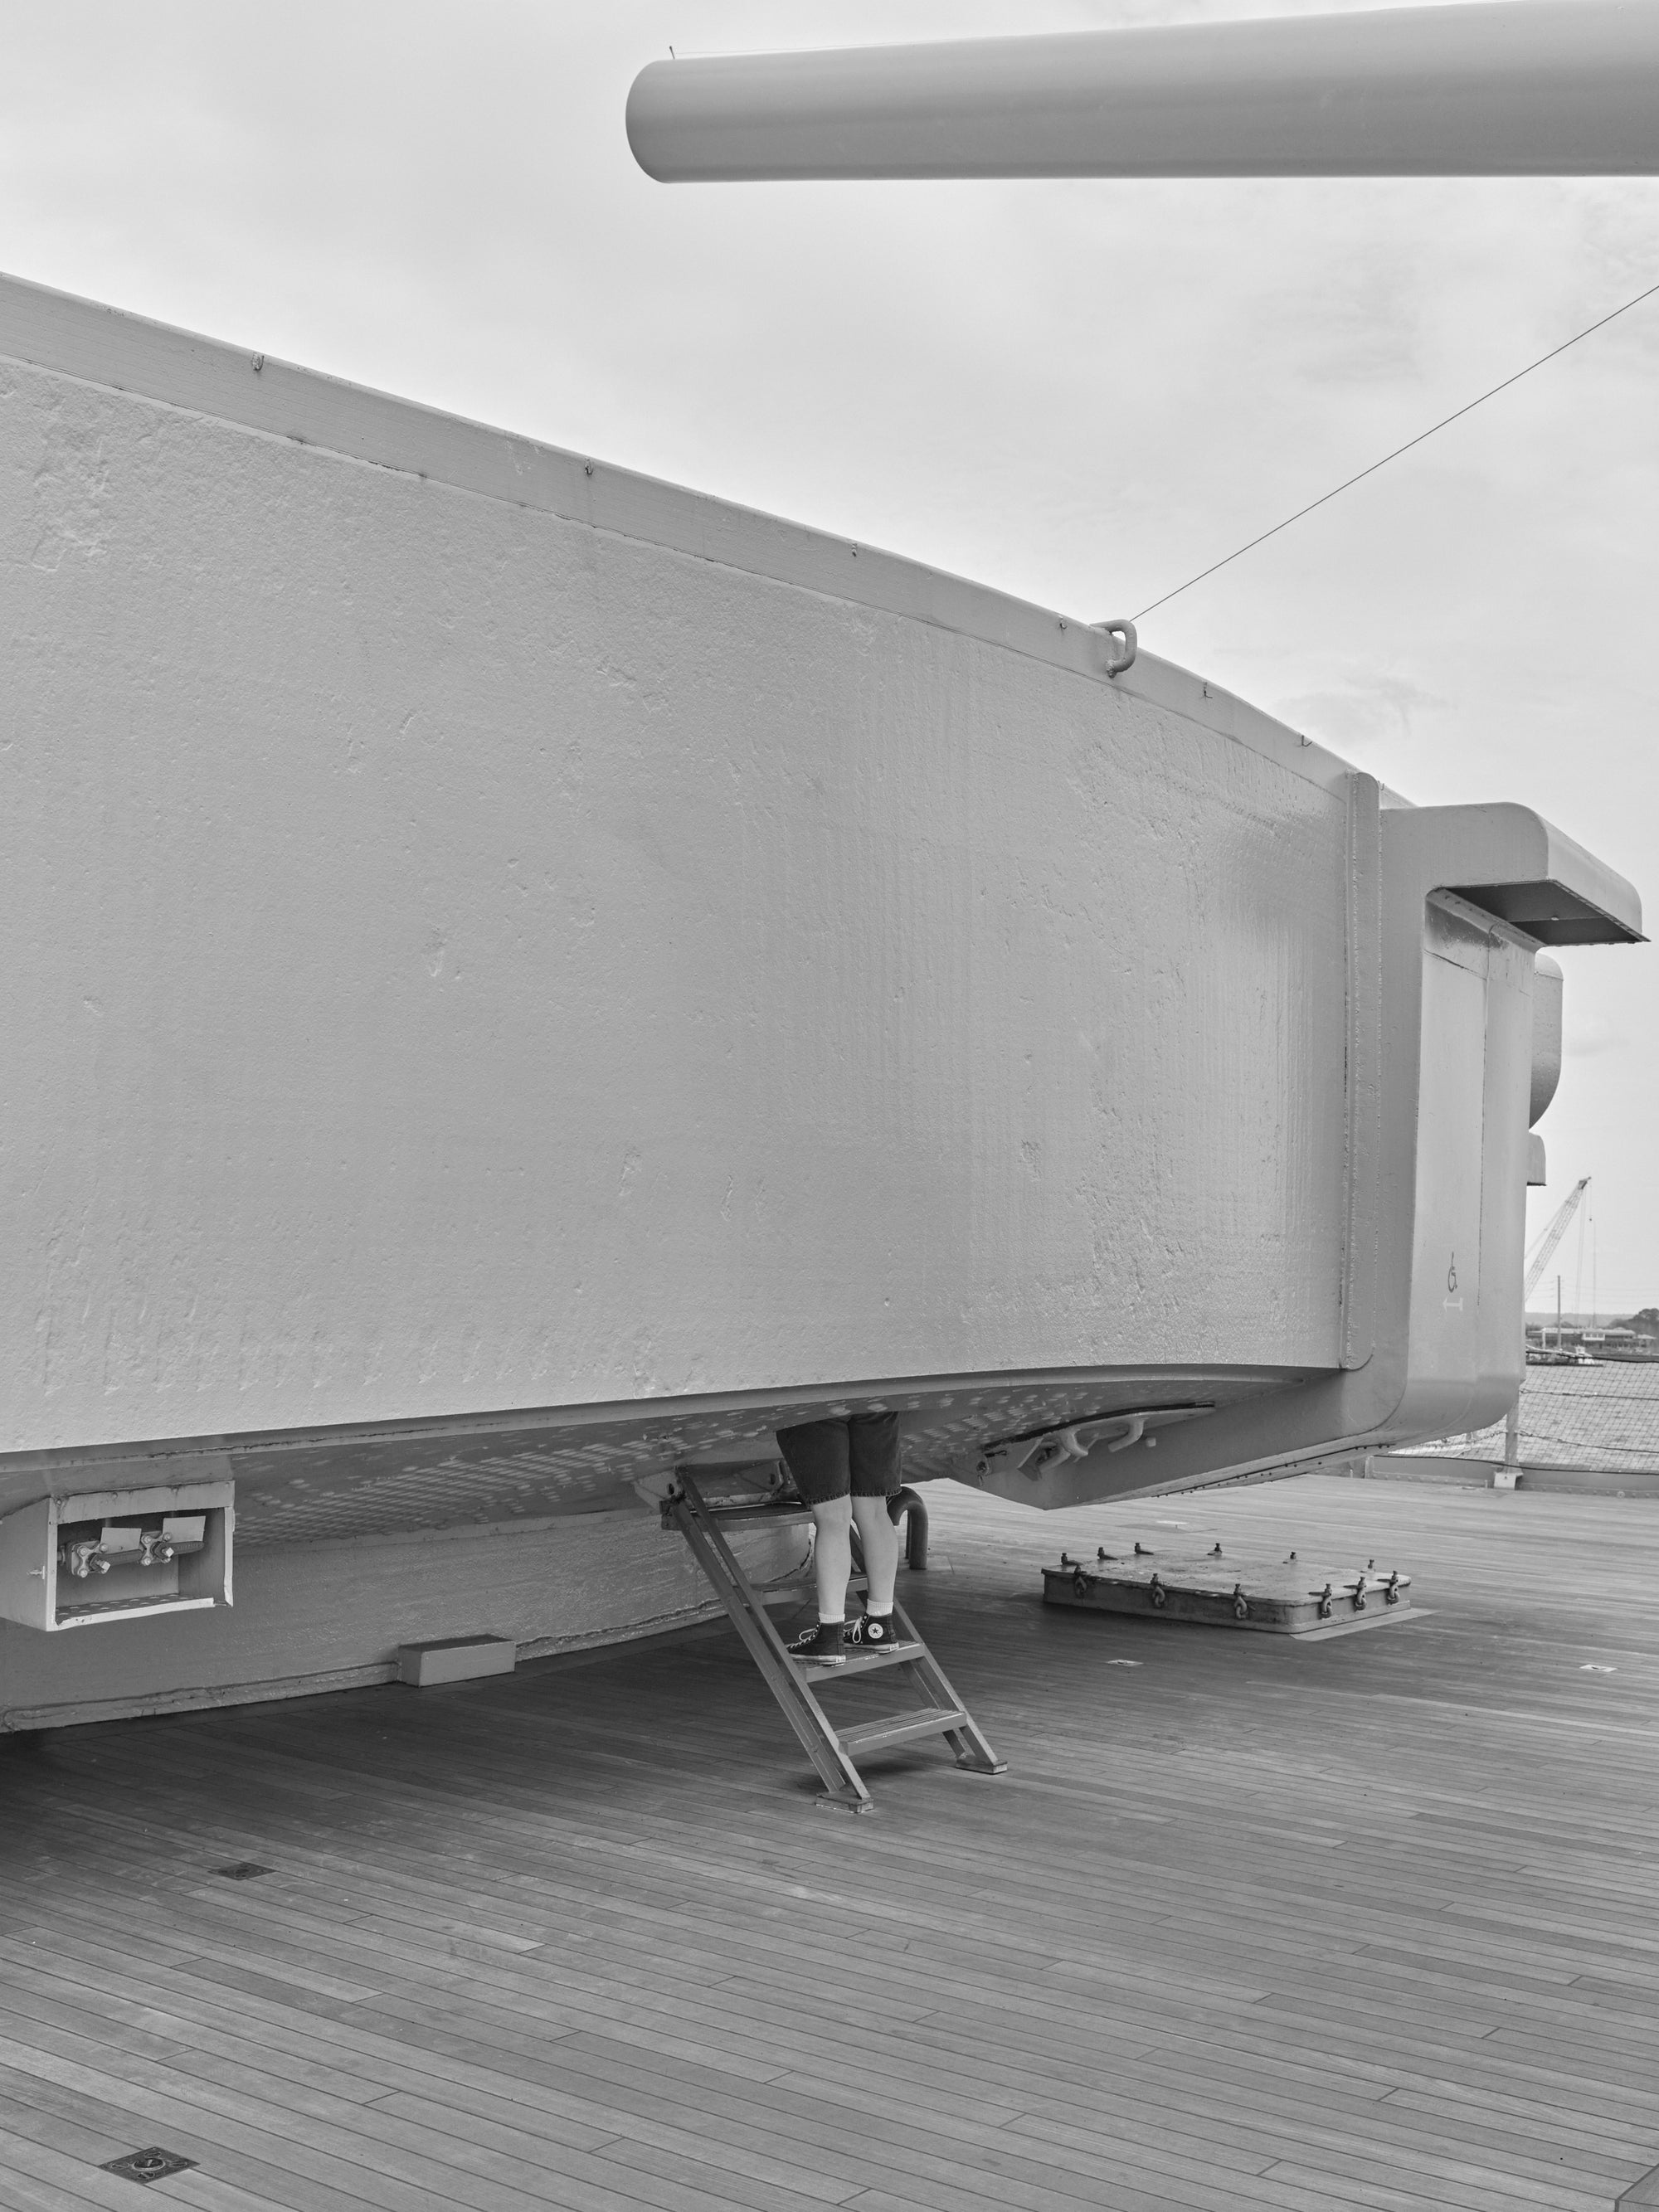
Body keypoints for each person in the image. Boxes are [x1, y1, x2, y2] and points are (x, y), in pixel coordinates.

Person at [776, 1412, 903, 1664]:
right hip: (875, 1389)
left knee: (833, 1516)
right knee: (876, 1511)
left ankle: (829, 1635)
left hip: (818, 1396)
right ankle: (879, 1624)